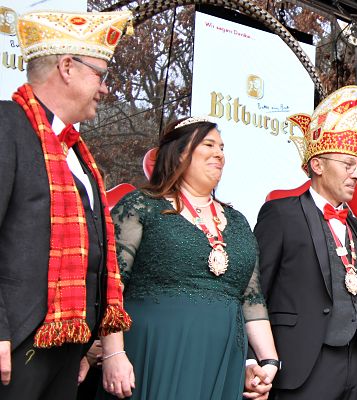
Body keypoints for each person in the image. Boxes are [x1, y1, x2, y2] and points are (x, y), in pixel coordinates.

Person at [0, 11, 134, 399]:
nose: (105, 89)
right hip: (18, 340)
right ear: (66, 68)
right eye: (100, 75)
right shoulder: (7, 125)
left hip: (66, 346)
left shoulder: (78, 152)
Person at [100, 117, 279, 399]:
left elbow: (252, 300)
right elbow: (111, 284)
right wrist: (113, 353)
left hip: (222, 361)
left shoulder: (238, 221)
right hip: (155, 351)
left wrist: (268, 362)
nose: (219, 153)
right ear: (181, 152)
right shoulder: (141, 206)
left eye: (222, 147)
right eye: (209, 144)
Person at [254, 85, 357, 400]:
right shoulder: (281, 215)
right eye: (348, 165)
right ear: (317, 166)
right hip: (303, 364)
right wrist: (256, 358)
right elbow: (253, 292)